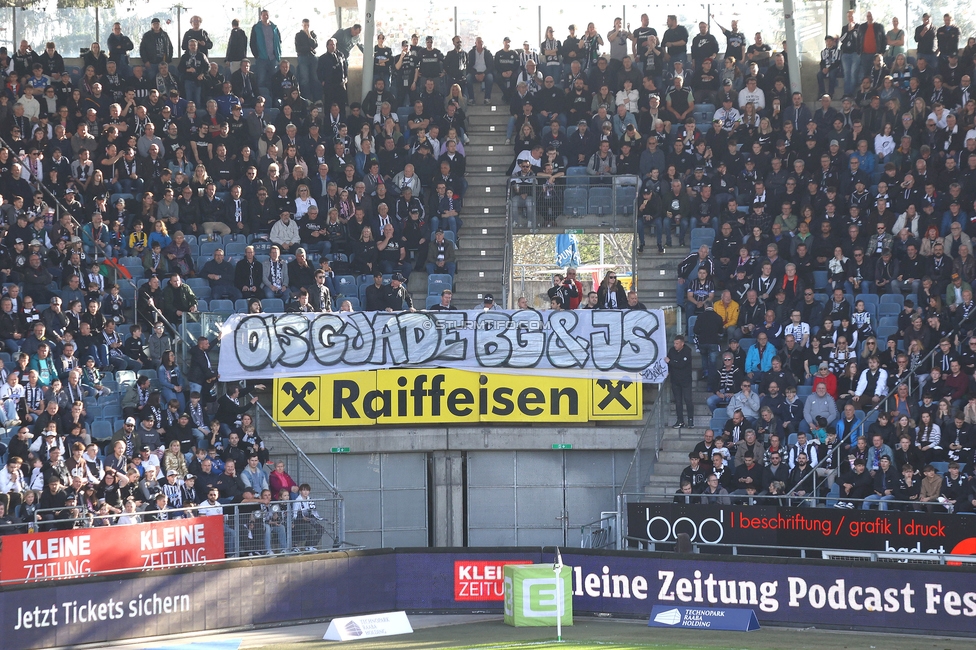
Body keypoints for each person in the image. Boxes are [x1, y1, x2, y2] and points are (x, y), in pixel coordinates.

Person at [666, 334, 694, 428]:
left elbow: (681, 364)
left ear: (682, 344)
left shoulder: (687, 351)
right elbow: (669, 363)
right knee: (678, 401)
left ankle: (690, 420)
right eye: (674, 343)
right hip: (675, 380)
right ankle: (680, 420)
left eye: (677, 343)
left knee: (688, 400)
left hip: (686, 381)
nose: (675, 345)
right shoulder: (671, 351)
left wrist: (671, 362)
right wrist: (668, 369)